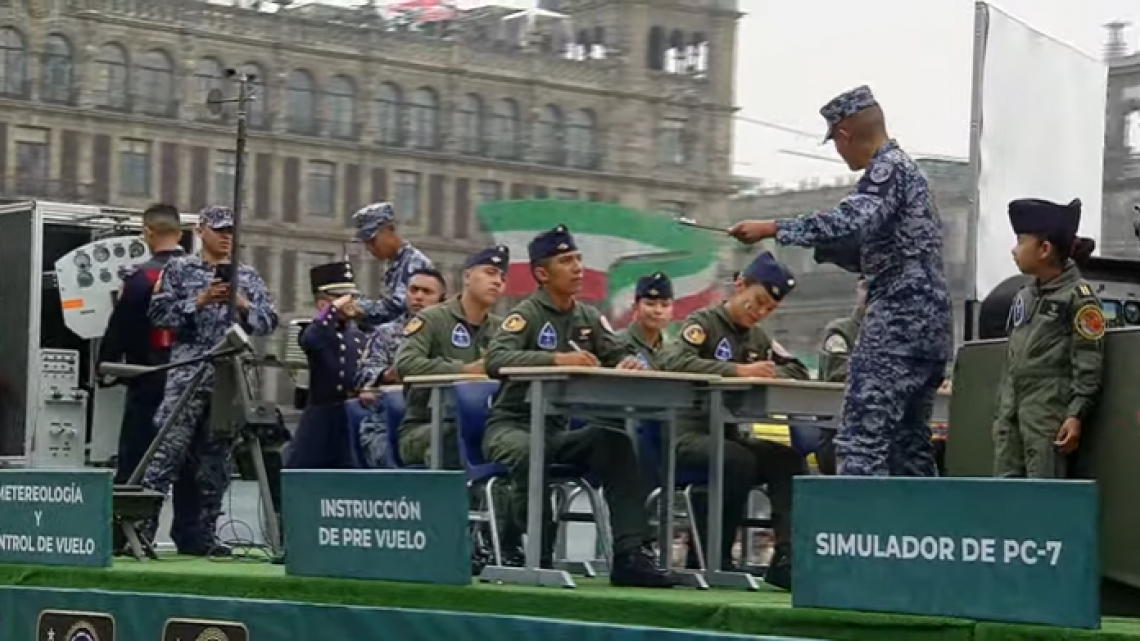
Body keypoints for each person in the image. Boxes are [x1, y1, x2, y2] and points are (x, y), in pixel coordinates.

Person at [727, 85, 952, 478]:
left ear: (844, 135)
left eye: (835, 142)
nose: (838, 151)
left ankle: (861, 534)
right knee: (909, 443)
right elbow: (876, 246)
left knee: (861, 439)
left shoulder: (886, 170)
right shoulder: (910, 173)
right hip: (930, 324)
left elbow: (848, 221)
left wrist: (772, 228)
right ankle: (917, 534)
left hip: (898, 318)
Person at [482, 224, 677, 588]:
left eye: (578, 259)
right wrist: (556, 361)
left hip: (555, 430)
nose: (577, 267)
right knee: (531, 449)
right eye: (566, 261)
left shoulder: (587, 317)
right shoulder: (526, 315)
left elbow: (620, 349)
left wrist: (631, 362)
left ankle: (630, 554)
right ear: (542, 273)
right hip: (512, 427)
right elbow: (497, 357)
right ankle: (526, 549)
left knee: (614, 441)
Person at [657, 251, 809, 591]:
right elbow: (673, 361)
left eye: (769, 309)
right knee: (738, 458)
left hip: (729, 435)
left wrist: (772, 372)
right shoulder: (704, 323)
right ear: (739, 286)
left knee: (787, 458)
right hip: (688, 435)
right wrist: (736, 370)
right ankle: (711, 555)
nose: (760, 312)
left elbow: (796, 367)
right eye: (756, 302)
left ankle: (786, 557)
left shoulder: (759, 338)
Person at [140, 205, 278, 555]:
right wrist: (199, 301)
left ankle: (203, 535)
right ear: (201, 230)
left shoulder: (247, 276)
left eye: (232, 231)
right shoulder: (179, 269)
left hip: (229, 375)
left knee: (217, 459)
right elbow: (157, 315)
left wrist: (244, 305)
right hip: (188, 370)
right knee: (166, 453)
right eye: (220, 230)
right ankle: (140, 531)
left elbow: (269, 322)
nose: (227, 236)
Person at [98, 203, 201, 553]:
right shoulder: (201, 276)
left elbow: (121, 327)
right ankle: (191, 535)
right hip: (193, 381)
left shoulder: (141, 278)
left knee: (137, 458)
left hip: (151, 377)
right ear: (182, 233)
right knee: (190, 460)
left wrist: (106, 364)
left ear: (147, 233)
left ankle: (125, 536)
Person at [992, 198, 1104, 479]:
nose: (1014, 249)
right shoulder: (1024, 297)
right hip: (1012, 415)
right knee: (1006, 496)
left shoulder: (1079, 299)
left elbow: (1088, 361)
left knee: (1044, 501)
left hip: (1047, 417)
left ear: (1044, 248)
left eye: (1020, 240)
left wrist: (1076, 414)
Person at [395, 246, 507, 468]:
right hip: (426, 426)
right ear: (467, 276)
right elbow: (405, 365)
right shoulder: (432, 319)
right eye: (489, 273)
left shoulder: (502, 329)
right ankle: (457, 502)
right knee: (454, 436)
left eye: (502, 277)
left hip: (484, 422)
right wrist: (464, 371)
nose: (497, 282)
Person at [356, 268, 446, 467]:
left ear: (441, 299)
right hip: (386, 422)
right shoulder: (386, 333)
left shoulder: (448, 336)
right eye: (413, 290)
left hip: (434, 416)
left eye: (427, 292)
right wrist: (390, 374)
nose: (418, 297)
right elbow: (363, 375)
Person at [286, 261, 367, 469]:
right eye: (344, 297)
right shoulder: (317, 332)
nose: (351, 301)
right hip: (321, 416)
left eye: (353, 296)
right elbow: (311, 339)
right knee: (305, 471)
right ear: (324, 304)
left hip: (350, 414)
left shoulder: (358, 336)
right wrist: (332, 309)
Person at [813, 276, 867, 475]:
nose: (869, 294)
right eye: (865, 286)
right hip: (841, 432)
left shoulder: (899, 334)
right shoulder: (841, 331)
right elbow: (839, 375)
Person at [351, 202, 433, 327]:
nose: (369, 248)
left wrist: (359, 307)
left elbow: (397, 308)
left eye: (372, 241)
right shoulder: (395, 263)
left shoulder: (414, 263)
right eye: (365, 243)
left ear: (389, 230)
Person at [615, 272, 674, 369]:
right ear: (635, 308)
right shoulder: (617, 343)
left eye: (665, 305)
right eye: (650, 304)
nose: (658, 311)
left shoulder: (673, 350)